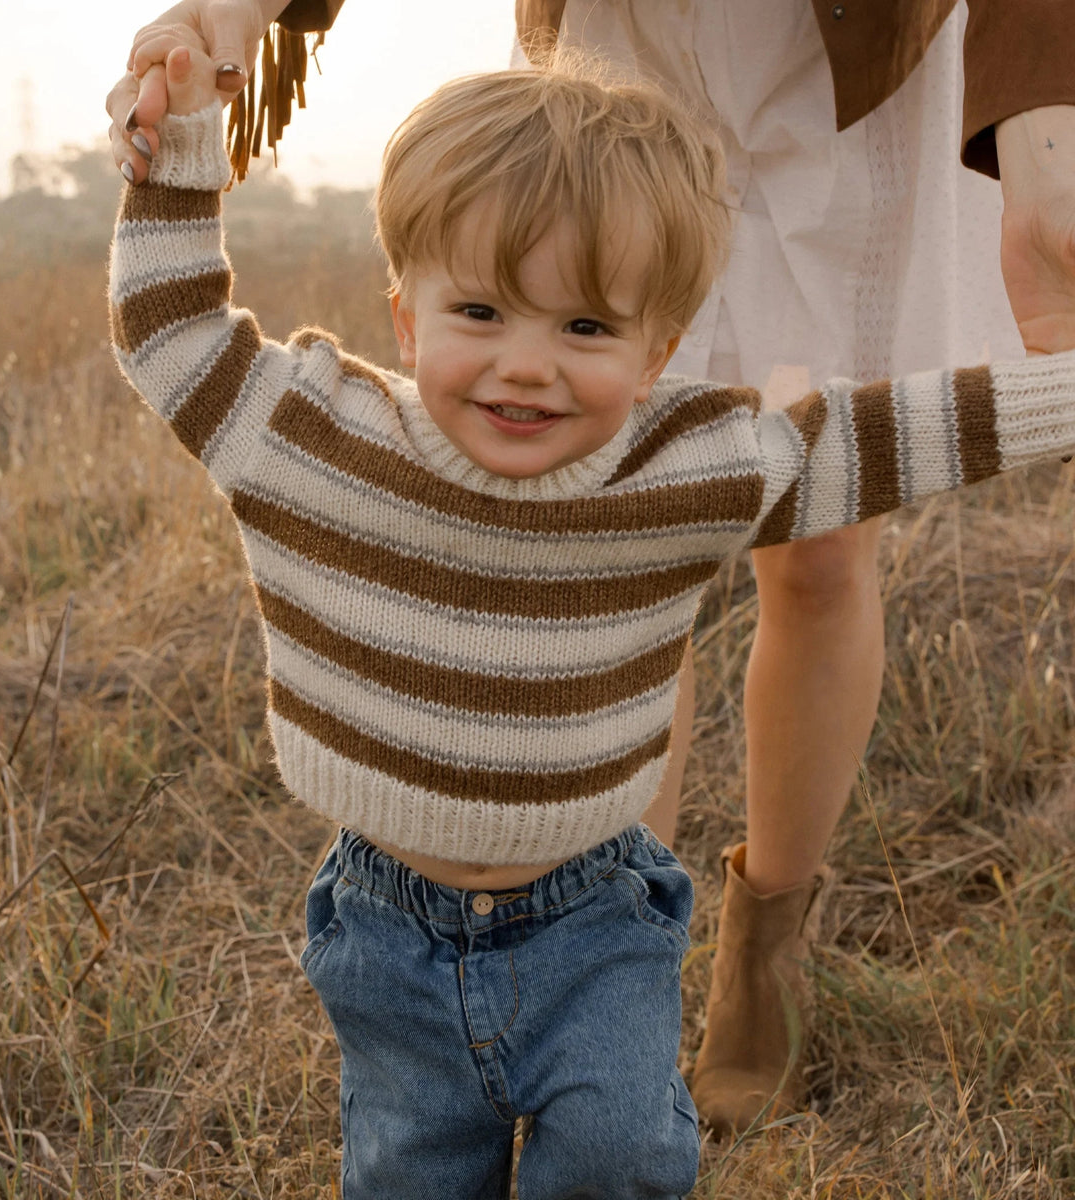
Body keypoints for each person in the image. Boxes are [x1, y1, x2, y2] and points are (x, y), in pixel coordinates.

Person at [108, 27, 1075, 1194]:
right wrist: (182, 146)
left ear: (661, 350)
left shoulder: (680, 469)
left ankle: (754, 972)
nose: (529, 366)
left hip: (597, 920)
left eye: (584, 329)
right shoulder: (315, 438)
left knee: (621, 1151)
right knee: (412, 1160)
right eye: (480, 314)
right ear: (405, 318)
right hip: (382, 924)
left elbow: (886, 439)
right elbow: (174, 327)